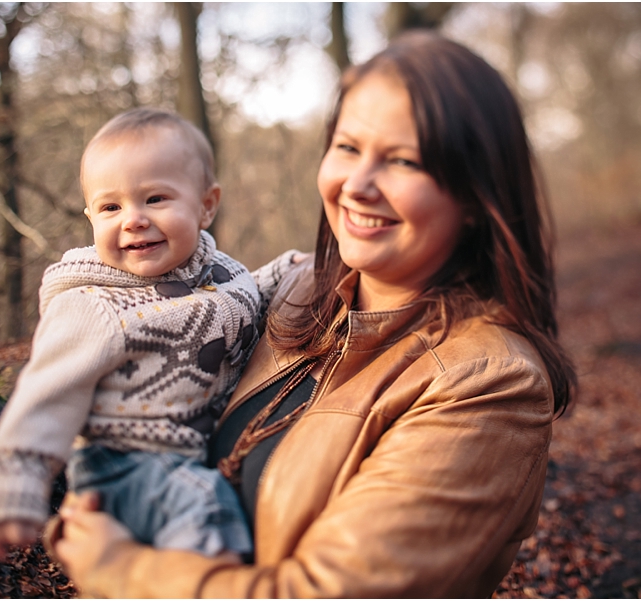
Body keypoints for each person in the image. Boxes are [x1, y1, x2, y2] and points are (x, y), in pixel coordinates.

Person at [48, 31, 576, 598]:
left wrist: (117, 569)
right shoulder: (296, 290)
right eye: (348, 148)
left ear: (475, 197)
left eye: (402, 160)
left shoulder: (488, 385)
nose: (357, 185)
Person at [0, 108, 296, 562]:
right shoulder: (93, 305)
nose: (133, 219)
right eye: (110, 207)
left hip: (193, 455)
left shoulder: (218, 271)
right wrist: (14, 484)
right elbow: (47, 393)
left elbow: (243, 298)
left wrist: (286, 273)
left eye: (155, 199)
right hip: (125, 466)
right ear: (90, 217)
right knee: (205, 513)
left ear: (206, 204)